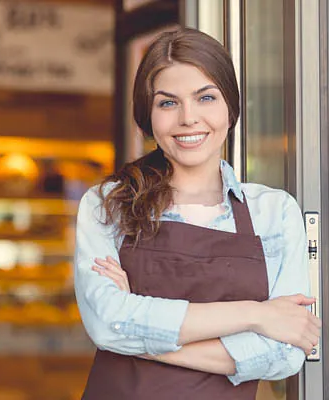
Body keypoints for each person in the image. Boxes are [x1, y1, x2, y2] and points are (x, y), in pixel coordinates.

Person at [74, 27, 321, 400]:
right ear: (148, 117)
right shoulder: (108, 204)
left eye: (205, 97)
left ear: (230, 109)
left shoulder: (275, 212)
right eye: (168, 103)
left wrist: (141, 331)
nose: (189, 118)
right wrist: (256, 315)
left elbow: (284, 354)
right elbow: (107, 326)